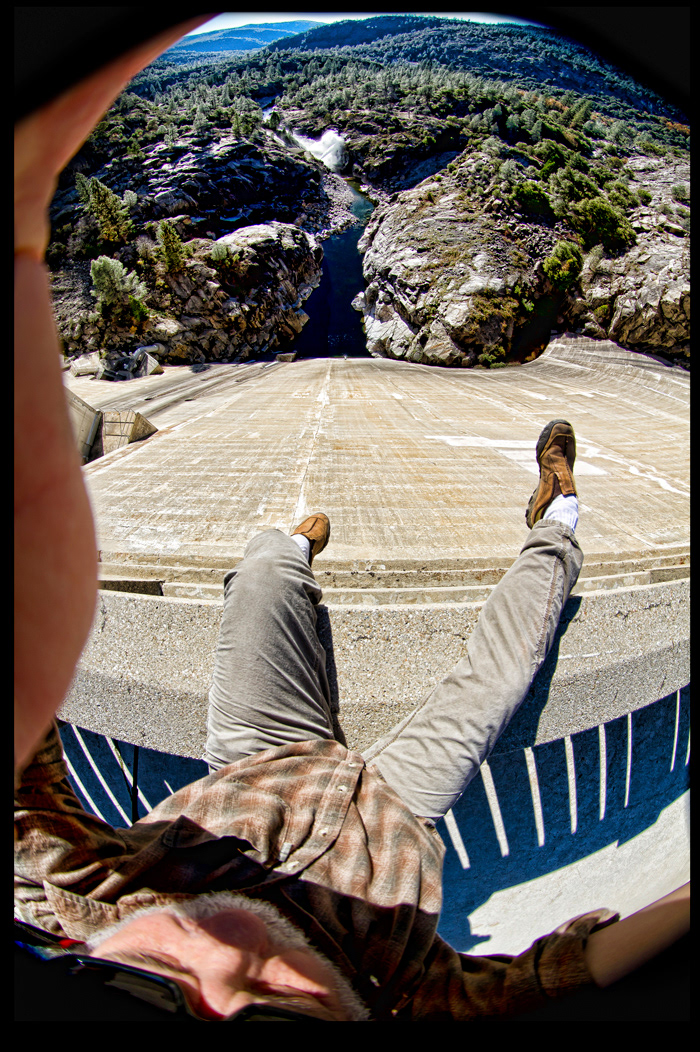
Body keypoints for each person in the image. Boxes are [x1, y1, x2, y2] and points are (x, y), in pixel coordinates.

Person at [15, 17, 689, 1023]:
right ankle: (558, 513)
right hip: (400, 806)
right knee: (504, 659)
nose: (227, 982)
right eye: (278, 1023)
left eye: (145, 991)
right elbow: (571, 972)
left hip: (257, 755)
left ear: (90, 960)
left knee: (259, 570)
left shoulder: (72, 891)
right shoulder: (414, 994)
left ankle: (293, 544)